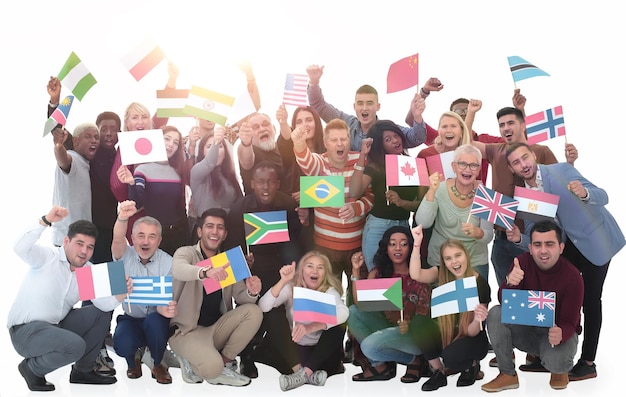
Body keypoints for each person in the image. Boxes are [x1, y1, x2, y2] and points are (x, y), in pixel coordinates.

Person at [504, 142, 625, 381]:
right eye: (516, 162)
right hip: (564, 247)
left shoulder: (561, 171)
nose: (523, 164)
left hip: (594, 241)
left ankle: (588, 362)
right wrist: (520, 238)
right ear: (512, 168)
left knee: (590, 300)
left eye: (525, 157)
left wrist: (585, 193)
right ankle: (548, 355)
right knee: (552, 296)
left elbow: (604, 196)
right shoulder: (525, 196)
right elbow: (534, 233)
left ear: (533, 155)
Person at [8, 206, 131, 391]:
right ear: (66, 241)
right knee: (75, 346)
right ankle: (32, 369)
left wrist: (119, 297)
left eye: (89, 247)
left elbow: (103, 306)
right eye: (79, 244)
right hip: (26, 332)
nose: (84, 251)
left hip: (55, 328)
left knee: (101, 314)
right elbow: (20, 247)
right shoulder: (47, 257)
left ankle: (83, 371)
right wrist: (45, 220)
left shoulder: (88, 271)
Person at [468, 101, 578, 286]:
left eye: (510, 123)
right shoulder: (496, 150)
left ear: (523, 125)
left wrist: (570, 164)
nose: (505, 128)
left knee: (537, 295)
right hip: (502, 239)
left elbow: (562, 185)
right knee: (508, 296)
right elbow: (468, 144)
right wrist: (471, 112)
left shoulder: (541, 151)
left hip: (533, 240)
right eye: (502, 125)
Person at [481, 220, 584, 392]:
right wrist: (509, 282)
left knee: (557, 362)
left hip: (554, 335)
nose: (543, 250)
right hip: (527, 331)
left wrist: (562, 333)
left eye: (549, 244)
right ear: (530, 247)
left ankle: (559, 370)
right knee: (496, 313)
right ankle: (507, 374)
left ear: (561, 248)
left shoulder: (573, 277)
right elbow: (504, 303)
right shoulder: (521, 263)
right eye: (537, 244)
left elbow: (570, 322)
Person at [223, 160, 304, 378]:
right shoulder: (240, 208)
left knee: (275, 311)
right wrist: (244, 266)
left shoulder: (287, 203)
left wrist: (293, 273)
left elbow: (296, 238)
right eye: (260, 182)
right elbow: (231, 247)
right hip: (250, 267)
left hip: (278, 267)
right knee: (247, 308)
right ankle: (247, 356)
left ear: (278, 183)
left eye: (270, 182)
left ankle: (279, 353)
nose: (265, 187)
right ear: (252, 184)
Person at [168, 208, 263, 387]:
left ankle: (224, 361)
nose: (214, 231)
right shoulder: (186, 252)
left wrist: (252, 291)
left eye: (220, 228)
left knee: (254, 311)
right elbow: (178, 269)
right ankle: (190, 358)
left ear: (225, 234)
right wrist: (205, 272)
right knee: (211, 369)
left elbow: (242, 298)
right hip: (186, 332)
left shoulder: (229, 260)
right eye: (209, 226)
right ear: (199, 231)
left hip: (215, 330)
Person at [348, 226, 432, 383]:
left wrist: (409, 324)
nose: (398, 248)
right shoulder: (378, 273)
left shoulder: (419, 273)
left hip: (413, 334)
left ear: (411, 247)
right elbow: (361, 305)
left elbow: (426, 315)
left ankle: (415, 360)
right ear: (386, 248)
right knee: (352, 312)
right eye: (392, 244)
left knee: (369, 347)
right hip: (388, 328)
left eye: (403, 244)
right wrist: (355, 271)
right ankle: (379, 366)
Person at [408, 232, 490, 391]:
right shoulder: (440, 274)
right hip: (446, 334)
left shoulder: (480, 283)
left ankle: (471, 366)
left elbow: (473, 331)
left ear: (466, 256)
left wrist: (477, 319)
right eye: (448, 258)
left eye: (458, 255)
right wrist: (417, 243)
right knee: (418, 323)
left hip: (471, 337)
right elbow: (415, 274)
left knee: (451, 357)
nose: (454, 262)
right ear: (444, 262)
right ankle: (439, 371)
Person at [258, 251, 349, 391]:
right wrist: (283, 280)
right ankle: (301, 373)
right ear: (302, 270)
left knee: (339, 326)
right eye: (310, 266)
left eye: (320, 267)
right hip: (293, 353)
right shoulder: (291, 288)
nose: (315, 271)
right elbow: (264, 306)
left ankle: (303, 374)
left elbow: (344, 313)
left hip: (318, 354)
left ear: (325, 273)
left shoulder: (329, 291)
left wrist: (311, 327)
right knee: (273, 315)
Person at [111, 200, 177, 384]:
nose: (146, 241)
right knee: (122, 343)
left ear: (159, 240)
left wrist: (166, 308)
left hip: (156, 319)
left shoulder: (168, 262)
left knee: (156, 321)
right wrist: (122, 218)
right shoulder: (125, 255)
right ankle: (133, 360)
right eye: (141, 235)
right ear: (132, 238)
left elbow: (169, 298)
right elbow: (117, 239)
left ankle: (157, 362)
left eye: (152, 236)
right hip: (132, 319)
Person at [414, 144, 493, 281]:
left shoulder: (486, 194)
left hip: (473, 261)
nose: (467, 169)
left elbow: (488, 236)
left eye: (473, 165)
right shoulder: (440, 187)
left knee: (479, 301)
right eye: (462, 164)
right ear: (454, 166)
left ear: (479, 169)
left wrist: (477, 232)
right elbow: (423, 223)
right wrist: (432, 191)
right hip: (442, 260)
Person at [349, 120, 420, 272]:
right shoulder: (375, 166)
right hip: (378, 226)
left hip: (403, 226)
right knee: (376, 275)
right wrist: (363, 155)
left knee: (400, 277)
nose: (395, 140)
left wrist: (402, 203)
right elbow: (355, 192)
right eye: (387, 139)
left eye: (396, 135)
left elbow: (420, 204)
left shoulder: (413, 165)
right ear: (380, 145)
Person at [305, 64, 428, 151]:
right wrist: (314, 83)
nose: (364, 108)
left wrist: (417, 117)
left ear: (378, 106)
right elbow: (318, 106)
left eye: (369, 103)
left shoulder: (388, 129)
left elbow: (417, 138)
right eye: (360, 103)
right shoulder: (346, 123)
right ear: (354, 106)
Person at [116, 126, 190, 256]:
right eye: (167, 139)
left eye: (175, 142)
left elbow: (181, 206)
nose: (171, 144)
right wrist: (132, 182)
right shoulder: (142, 170)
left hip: (179, 235)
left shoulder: (178, 171)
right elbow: (137, 204)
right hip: (154, 237)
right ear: (156, 140)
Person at [50, 122, 100, 247]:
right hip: (67, 241)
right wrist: (58, 145)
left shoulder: (85, 163)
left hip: (82, 240)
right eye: (88, 136)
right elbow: (63, 160)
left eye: (96, 137)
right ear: (76, 141)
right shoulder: (74, 159)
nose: (93, 140)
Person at [237, 112, 299, 196]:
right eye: (255, 127)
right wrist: (246, 143)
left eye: (266, 124)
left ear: (274, 129)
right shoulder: (250, 150)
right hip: (260, 208)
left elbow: (288, 138)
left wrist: (305, 197)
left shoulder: (283, 149)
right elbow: (246, 161)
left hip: (290, 207)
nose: (262, 129)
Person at [190, 126, 243, 218]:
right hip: (205, 229)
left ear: (225, 153)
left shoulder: (230, 176)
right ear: (202, 152)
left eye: (220, 146)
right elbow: (210, 163)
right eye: (209, 146)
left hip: (226, 228)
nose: (216, 150)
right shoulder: (197, 172)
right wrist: (216, 142)